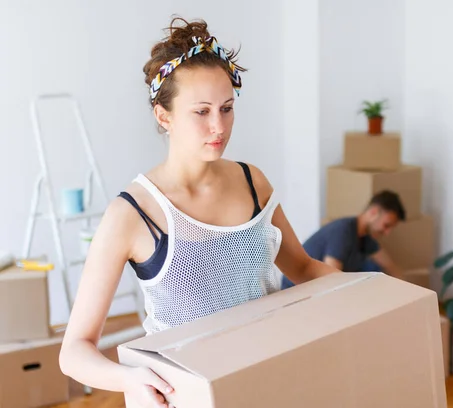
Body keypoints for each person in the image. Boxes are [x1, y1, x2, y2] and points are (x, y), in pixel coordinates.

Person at [58, 17, 340, 408]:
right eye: (201, 111)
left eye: (226, 108)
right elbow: (74, 351)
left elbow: (305, 269)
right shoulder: (133, 213)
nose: (218, 126)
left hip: (268, 381)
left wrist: (369, 294)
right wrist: (130, 379)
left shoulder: (252, 181)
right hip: (186, 396)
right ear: (163, 116)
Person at [281, 190, 406, 289]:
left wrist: (408, 293)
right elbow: (331, 282)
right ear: (373, 213)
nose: (387, 233)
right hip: (296, 291)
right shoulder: (343, 232)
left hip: (319, 289)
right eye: (386, 225)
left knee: (375, 270)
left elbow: (391, 267)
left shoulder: (366, 239)